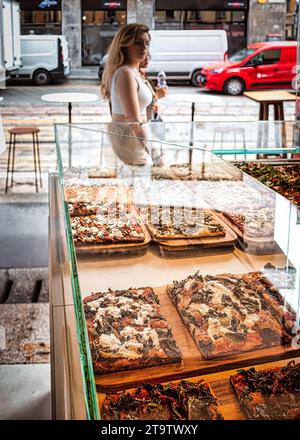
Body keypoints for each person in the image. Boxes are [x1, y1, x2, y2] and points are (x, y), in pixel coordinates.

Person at [101, 23, 154, 165]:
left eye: (147, 43)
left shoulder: (133, 71)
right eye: (137, 43)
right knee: (138, 182)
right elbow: (134, 121)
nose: (144, 48)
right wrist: (154, 153)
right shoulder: (125, 73)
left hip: (135, 137)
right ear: (125, 45)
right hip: (130, 139)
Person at [139, 53, 168, 122]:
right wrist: (157, 96)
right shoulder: (130, 74)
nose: (147, 59)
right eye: (144, 55)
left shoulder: (140, 73)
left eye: (148, 55)